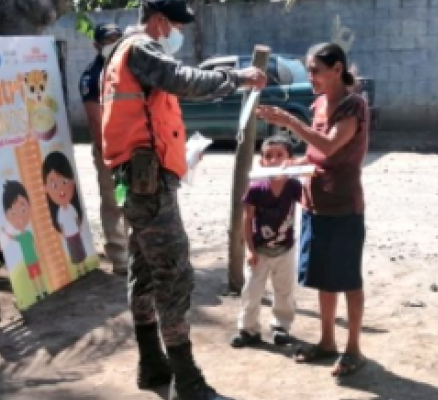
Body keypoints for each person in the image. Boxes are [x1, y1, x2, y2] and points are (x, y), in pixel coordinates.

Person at [99, 1, 267, 399]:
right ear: (159, 21)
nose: (178, 34)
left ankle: (151, 364)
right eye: (176, 25)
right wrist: (237, 78)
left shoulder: (122, 54)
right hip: (148, 184)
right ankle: (186, 380)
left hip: (138, 180)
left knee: (143, 270)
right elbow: (184, 80)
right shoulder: (142, 49)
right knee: (172, 275)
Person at [256, 42, 370, 380]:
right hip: (316, 203)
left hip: (344, 206)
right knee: (324, 277)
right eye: (308, 70)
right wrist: (291, 165)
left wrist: (289, 120)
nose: (311, 77)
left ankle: (354, 349)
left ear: (337, 69)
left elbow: (331, 145)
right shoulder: (319, 104)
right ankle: (327, 341)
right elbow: (315, 154)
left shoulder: (353, 107)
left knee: (347, 278)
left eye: (316, 70)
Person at [230, 135, 302, 349]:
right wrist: (250, 250)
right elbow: (248, 219)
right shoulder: (256, 188)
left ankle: (281, 326)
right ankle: (248, 329)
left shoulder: (293, 186)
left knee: (284, 290)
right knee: (252, 291)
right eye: (268, 156)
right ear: (261, 162)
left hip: (285, 250)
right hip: (259, 250)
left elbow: (309, 204)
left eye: (280, 155)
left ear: (290, 159)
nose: (274, 160)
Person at [79, 23, 130, 275]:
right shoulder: (92, 75)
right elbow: (94, 119)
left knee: (135, 199)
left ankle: (138, 252)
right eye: (108, 39)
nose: (114, 42)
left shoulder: (129, 67)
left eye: (117, 37)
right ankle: (120, 257)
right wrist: (108, 152)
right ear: (96, 45)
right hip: (109, 149)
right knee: (113, 201)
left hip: (134, 146)